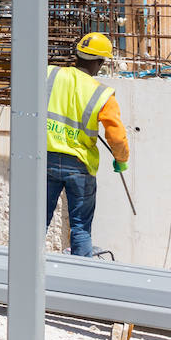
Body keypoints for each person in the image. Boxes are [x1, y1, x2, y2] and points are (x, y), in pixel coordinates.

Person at [45, 32, 131, 257]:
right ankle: (80, 281)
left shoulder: (49, 74)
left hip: (44, 159)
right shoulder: (102, 94)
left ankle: (25, 272)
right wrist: (121, 160)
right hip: (80, 166)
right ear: (100, 62)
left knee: (35, 223)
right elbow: (117, 136)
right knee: (81, 228)